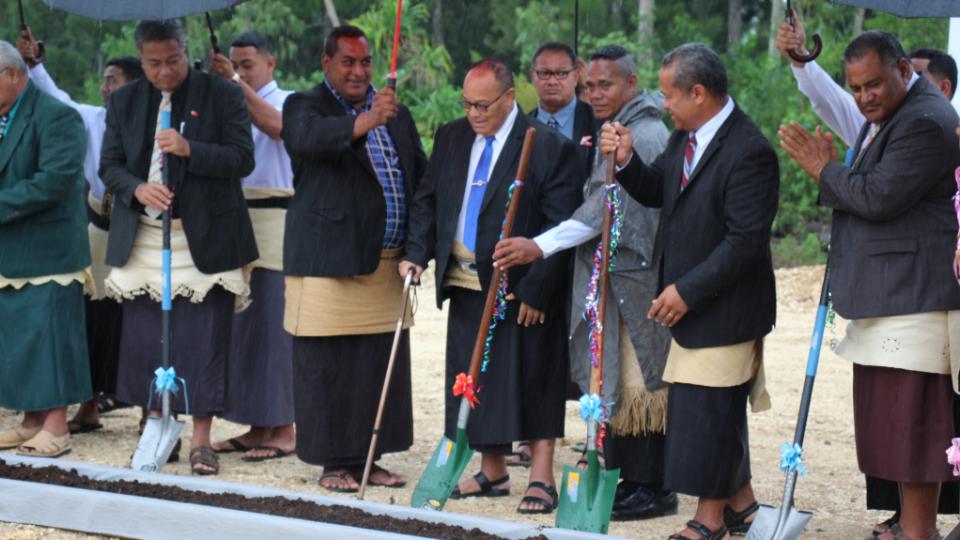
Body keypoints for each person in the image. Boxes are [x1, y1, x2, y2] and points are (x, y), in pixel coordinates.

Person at [776, 19, 960, 536]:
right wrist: (801, 65)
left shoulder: (926, 119)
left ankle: (918, 533)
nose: (863, 98)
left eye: (873, 84)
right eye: (856, 88)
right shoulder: (892, 112)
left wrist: (824, 171)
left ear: (905, 70)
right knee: (893, 435)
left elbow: (877, 196)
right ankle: (909, 527)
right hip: (891, 300)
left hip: (916, 300)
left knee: (916, 435)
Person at [600, 43, 778, 539]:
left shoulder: (750, 150)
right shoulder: (686, 136)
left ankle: (710, 520)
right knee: (705, 409)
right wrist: (628, 159)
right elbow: (660, 191)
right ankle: (741, 507)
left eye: (670, 94)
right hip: (691, 302)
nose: (663, 104)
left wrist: (687, 291)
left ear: (699, 93)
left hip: (727, 306)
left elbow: (744, 243)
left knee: (709, 412)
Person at [494, 44, 676, 522]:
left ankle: (651, 487)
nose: (595, 94)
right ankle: (627, 481)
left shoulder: (647, 132)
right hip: (613, 284)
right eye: (590, 85)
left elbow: (602, 213)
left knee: (640, 386)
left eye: (606, 85)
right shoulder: (614, 127)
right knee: (613, 379)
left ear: (631, 85)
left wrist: (539, 245)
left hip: (637, 286)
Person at [402, 58, 580, 514]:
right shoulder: (452, 136)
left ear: (508, 97)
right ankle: (493, 468)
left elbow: (563, 225)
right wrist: (416, 254)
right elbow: (428, 199)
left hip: (523, 284)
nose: (474, 113)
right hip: (465, 276)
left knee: (535, 374)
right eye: (467, 104)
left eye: (483, 105)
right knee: (473, 373)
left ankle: (540, 476)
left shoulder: (547, 145)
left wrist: (540, 289)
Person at [100, 19, 257, 475]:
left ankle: (202, 439)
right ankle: (156, 428)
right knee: (149, 338)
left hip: (204, 234)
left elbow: (242, 158)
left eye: (172, 61)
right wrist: (136, 189)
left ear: (186, 52)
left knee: (204, 337)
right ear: (141, 60)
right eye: (153, 63)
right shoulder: (126, 100)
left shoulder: (222, 93)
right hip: (147, 236)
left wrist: (190, 149)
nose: (164, 72)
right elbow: (110, 165)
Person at [281, 25, 425, 492]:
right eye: (348, 61)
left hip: (387, 260)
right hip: (327, 258)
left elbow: (420, 178)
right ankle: (333, 462)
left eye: (365, 62)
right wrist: (366, 121)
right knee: (328, 364)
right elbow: (308, 139)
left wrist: (419, 248)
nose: (359, 71)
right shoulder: (304, 105)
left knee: (376, 365)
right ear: (326, 63)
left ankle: (370, 457)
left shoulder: (394, 113)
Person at [16, 27, 143, 434]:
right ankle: (87, 406)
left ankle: (148, 413)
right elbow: (55, 97)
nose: (106, 87)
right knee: (92, 319)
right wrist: (34, 64)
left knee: (137, 323)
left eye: (114, 80)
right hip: (98, 231)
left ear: (137, 87)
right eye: (104, 80)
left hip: (140, 232)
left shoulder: (155, 123)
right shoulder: (91, 118)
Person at [207, 31, 296, 462]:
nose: (241, 72)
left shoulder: (290, 101)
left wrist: (234, 85)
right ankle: (258, 423)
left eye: (248, 65)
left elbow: (276, 129)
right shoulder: (229, 99)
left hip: (280, 221)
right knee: (244, 329)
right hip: (239, 220)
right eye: (235, 65)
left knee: (275, 329)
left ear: (270, 63)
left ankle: (284, 427)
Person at [0, 39, 91, 458]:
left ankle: (57, 426)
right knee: (20, 338)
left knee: (54, 335)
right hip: (10, 247)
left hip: (52, 247)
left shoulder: (59, 116)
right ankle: (31, 420)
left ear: (13, 74)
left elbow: (54, 181)